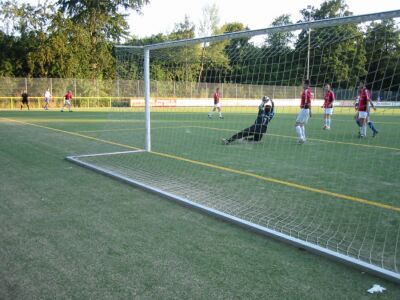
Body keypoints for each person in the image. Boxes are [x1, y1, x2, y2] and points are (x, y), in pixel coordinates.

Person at [295, 80, 312, 144]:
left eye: (304, 84)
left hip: (305, 109)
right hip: (305, 109)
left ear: (306, 85)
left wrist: (310, 111)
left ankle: (301, 138)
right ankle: (303, 137)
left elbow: (309, 102)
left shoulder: (306, 91)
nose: (303, 85)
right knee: (301, 124)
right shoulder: (307, 91)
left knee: (297, 124)